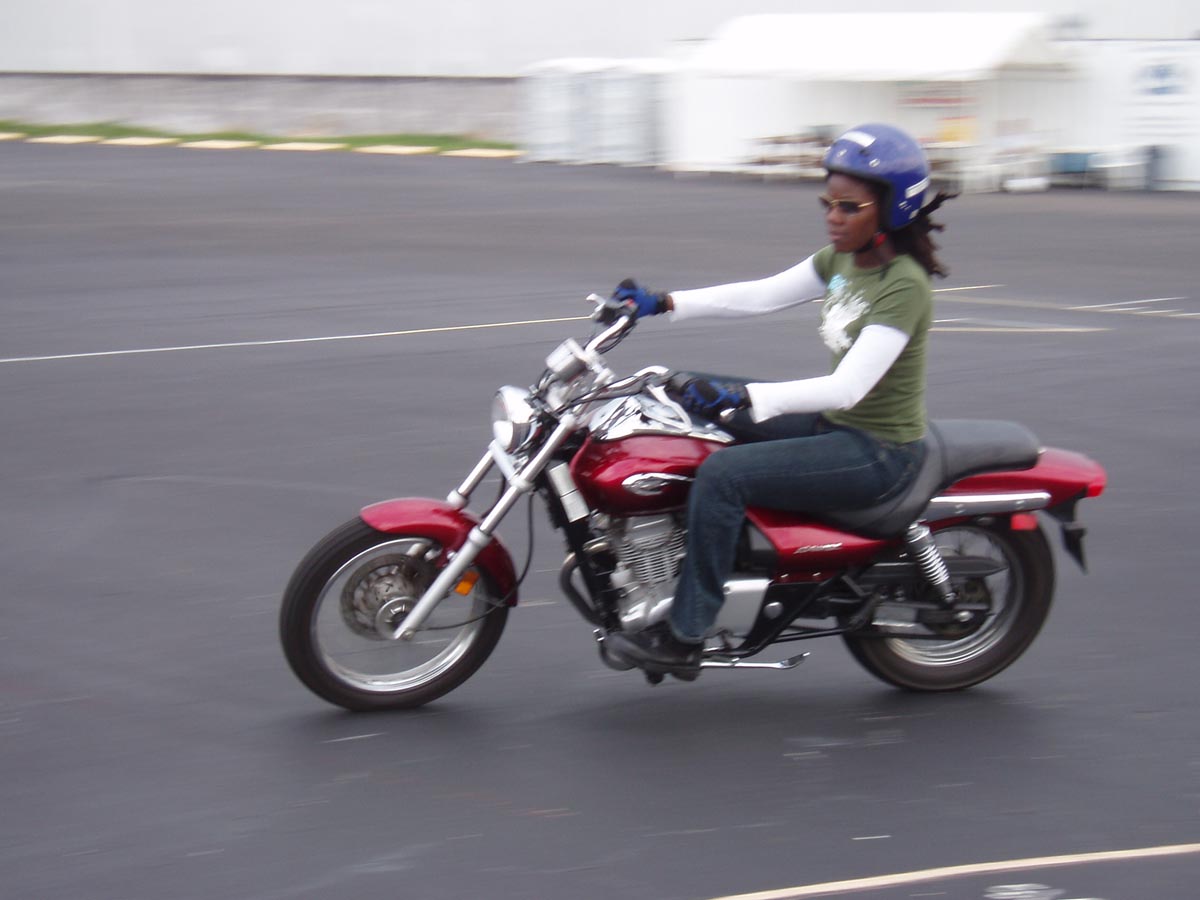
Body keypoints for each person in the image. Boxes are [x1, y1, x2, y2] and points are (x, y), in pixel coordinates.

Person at [603, 122, 956, 676]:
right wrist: (663, 303)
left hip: (879, 451)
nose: (833, 216)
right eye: (827, 203)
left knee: (724, 476)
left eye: (849, 207)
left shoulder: (903, 285)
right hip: (837, 425)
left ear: (892, 210)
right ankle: (677, 562)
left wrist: (743, 396)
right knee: (679, 395)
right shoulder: (842, 260)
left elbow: (848, 387)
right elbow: (761, 295)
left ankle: (686, 634)